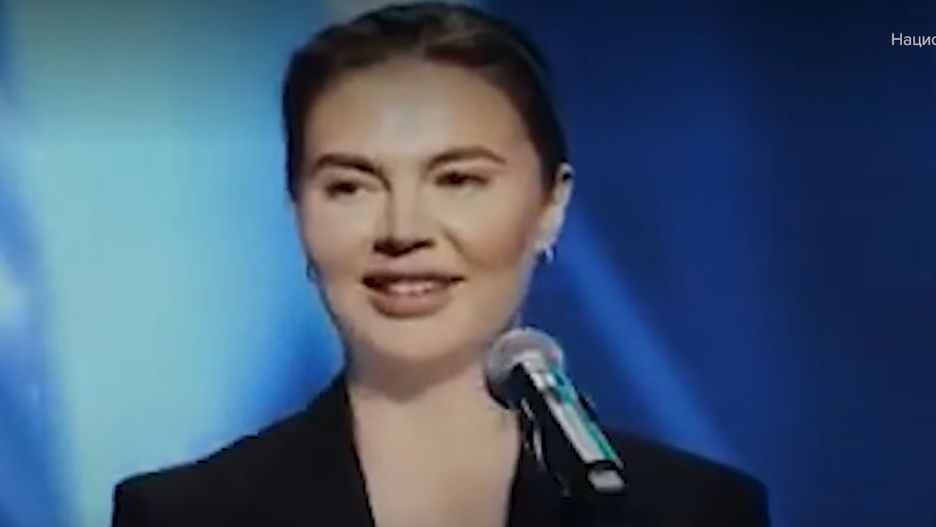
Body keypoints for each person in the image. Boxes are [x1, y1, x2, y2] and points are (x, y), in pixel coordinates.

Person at [111, 2, 769, 526]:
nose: (403, 231)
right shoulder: (183, 515)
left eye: (458, 180)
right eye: (350, 186)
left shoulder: (692, 511)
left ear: (550, 204)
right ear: (297, 208)